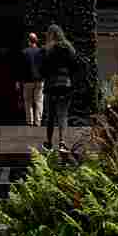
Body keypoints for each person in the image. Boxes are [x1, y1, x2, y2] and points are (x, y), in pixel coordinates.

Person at [39, 23, 83, 152]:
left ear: (51, 35)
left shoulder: (48, 49)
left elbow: (42, 69)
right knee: (63, 114)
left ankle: (48, 143)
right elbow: (76, 66)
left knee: (51, 115)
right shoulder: (69, 48)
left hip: (51, 85)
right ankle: (62, 142)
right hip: (65, 84)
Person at [21, 32, 45, 127]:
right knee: (39, 101)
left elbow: (22, 68)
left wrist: (20, 80)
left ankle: (30, 121)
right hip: (39, 80)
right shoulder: (41, 52)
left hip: (28, 80)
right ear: (36, 41)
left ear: (28, 41)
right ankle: (38, 121)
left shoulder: (24, 52)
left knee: (28, 101)